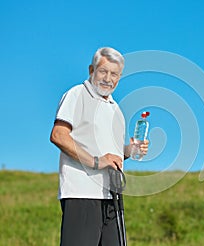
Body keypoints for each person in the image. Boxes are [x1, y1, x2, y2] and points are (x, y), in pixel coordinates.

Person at [50, 47, 149, 246]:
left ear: (119, 77)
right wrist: (96, 161)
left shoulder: (116, 110)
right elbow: (59, 135)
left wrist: (129, 150)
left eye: (114, 74)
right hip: (82, 194)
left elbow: (111, 154)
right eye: (103, 71)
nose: (108, 78)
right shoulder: (76, 94)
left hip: (112, 197)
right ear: (91, 70)